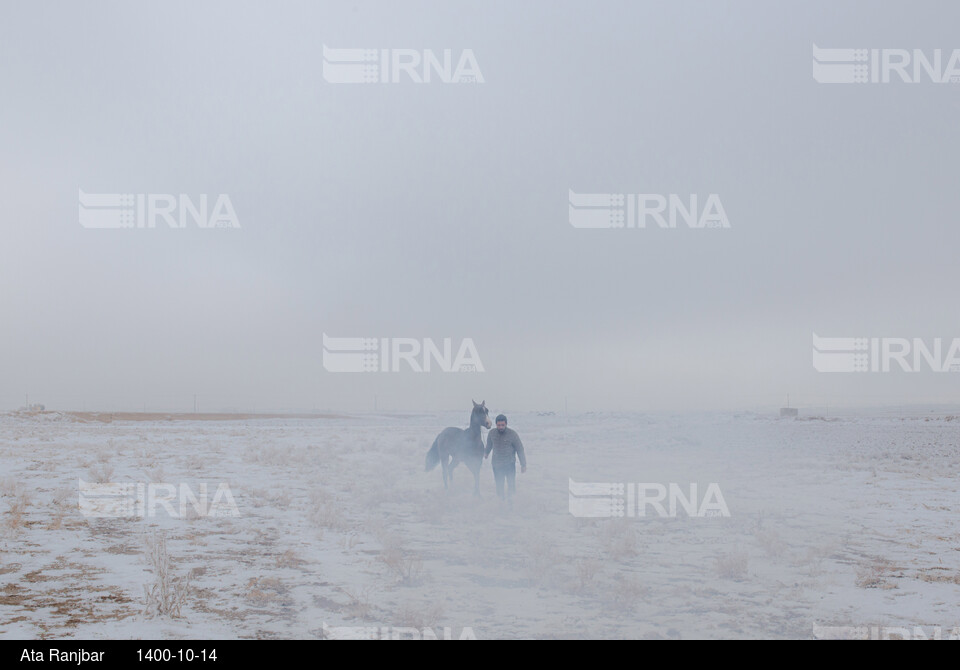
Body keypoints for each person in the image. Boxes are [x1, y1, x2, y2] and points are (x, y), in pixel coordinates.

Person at [484, 414, 526, 505]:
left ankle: (511, 503)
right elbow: (489, 445)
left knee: (511, 485)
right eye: (499, 425)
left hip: (509, 464)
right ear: (496, 425)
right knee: (499, 485)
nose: (501, 427)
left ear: (506, 424)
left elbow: (520, 449)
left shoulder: (512, 434)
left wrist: (523, 464)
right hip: (496, 465)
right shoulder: (492, 433)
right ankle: (501, 504)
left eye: (503, 425)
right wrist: (486, 453)